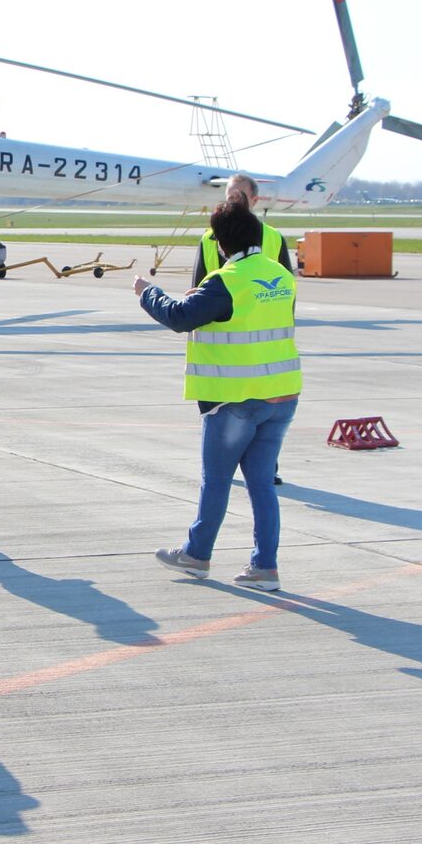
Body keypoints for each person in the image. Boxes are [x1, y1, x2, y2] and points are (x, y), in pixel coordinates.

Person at [135, 198, 301, 591]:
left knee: (217, 480)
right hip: (281, 394)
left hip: (234, 398)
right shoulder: (281, 276)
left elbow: (178, 316)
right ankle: (264, 566)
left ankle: (197, 554)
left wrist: (148, 292)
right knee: (261, 483)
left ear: (221, 245)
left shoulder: (226, 280)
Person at [192, 172, 292, 488]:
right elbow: (197, 288)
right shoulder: (209, 238)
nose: (233, 199)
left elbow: (286, 290)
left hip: (260, 339)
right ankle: (224, 463)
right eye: (229, 194)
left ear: (255, 200)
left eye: (240, 195)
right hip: (221, 341)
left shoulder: (273, 238)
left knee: (263, 406)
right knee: (220, 410)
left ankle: (264, 467)